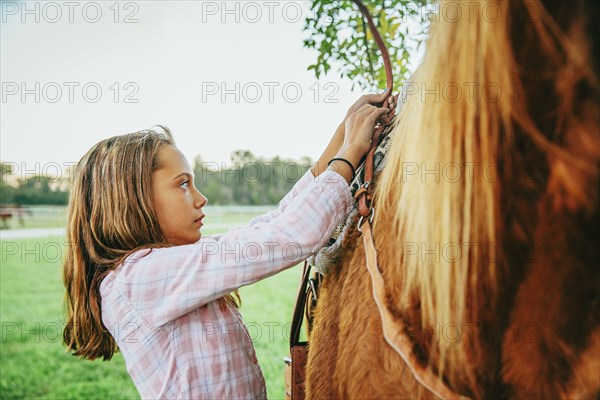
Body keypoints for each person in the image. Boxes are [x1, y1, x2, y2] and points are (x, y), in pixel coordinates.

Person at [62, 94, 392, 399]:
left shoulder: (165, 267)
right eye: (183, 185)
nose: (200, 198)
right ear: (132, 200)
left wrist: (342, 133)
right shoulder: (137, 281)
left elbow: (274, 222)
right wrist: (349, 153)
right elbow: (287, 235)